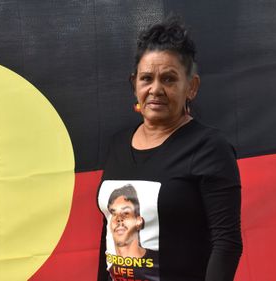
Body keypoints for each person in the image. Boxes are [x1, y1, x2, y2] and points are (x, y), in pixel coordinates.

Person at [98, 16, 242, 281]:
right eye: (146, 78)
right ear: (134, 85)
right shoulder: (118, 144)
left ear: (192, 87)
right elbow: (107, 237)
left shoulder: (209, 148)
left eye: (169, 79)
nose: (156, 89)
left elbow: (227, 243)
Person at [107, 184, 159, 281]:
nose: (118, 219)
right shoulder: (111, 270)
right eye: (114, 213)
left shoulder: (159, 261)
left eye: (126, 213)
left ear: (139, 221)